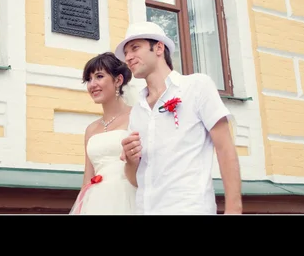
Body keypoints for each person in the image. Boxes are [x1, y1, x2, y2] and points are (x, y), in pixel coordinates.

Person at [116, 21, 242, 215]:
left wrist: (233, 210)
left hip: (189, 208)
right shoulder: (137, 111)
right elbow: (134, 179)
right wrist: (131, 162)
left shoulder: (197, 86)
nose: (128, 58)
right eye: (126, 53)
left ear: (159, 47)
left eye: (134, 48)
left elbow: (225, 148)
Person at [69, 52, 137, 215]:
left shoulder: (137, 117)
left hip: (128, 196)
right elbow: (88, 177)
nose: (92, 84)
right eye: (89, 79)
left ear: (118, 80)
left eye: (99, 76)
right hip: (96, 202)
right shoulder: (91, 130)